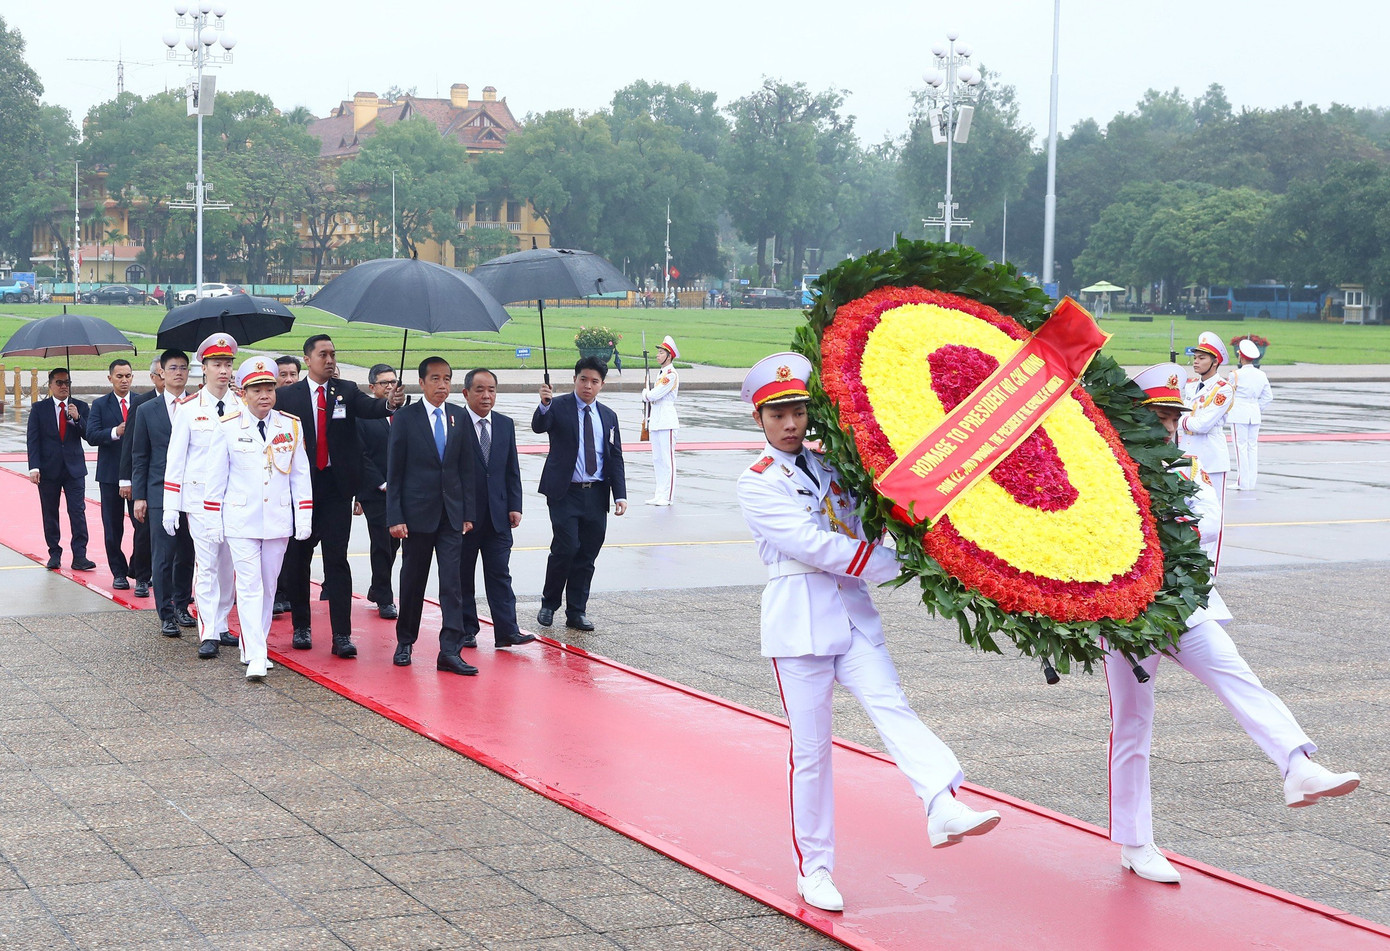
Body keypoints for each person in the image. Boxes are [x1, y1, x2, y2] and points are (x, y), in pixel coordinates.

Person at [735, 352, 998, 913]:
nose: (790, 423)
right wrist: (900, 565)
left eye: (798, 411)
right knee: (811, 753)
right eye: (778, 414)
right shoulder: (756, 482)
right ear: (759, 419)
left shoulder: (833, 465)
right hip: (800, 621)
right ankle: (815, 868)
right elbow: (813, 545)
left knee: (891, 704)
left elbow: (867, 522)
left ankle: (941, 802)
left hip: (852, 612)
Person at [1105, 364, 1359, 885]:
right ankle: (1134, 841)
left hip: (1183, 605)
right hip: (1126, 615)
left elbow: (1209, 523)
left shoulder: (1186, 469)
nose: (1168, 426)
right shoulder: (1105, 470)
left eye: (1172, 416)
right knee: (1132, 724)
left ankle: (1298, 766)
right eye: (1158, 416)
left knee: (1238, 676)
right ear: (1133, 417)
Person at [276, 334, 402, 658]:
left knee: (337, 559)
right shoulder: (287, 396)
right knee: (298, 559)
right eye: (323, 354)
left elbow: (371, 408)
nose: (330, 360)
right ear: (308, 360)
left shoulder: (345, 390)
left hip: (336, 488)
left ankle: (341, 635)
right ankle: (301, 626)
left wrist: (390, 403)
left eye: (333, 354)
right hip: (301, 488)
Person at [203, 358, 313, 681]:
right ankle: (257, 653)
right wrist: (213, 521)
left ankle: (253, 646)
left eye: (269, 389)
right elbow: (215, 478)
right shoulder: (227, 426)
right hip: (241, 519)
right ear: (243, 393)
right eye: (257, 390)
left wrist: (303, 516)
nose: (264, 396)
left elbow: (300, 475)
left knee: (268, 586)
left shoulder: (290, 425)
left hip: (277, 519)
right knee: (249, 586)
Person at [387, 357, 477, 674]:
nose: (442, 385)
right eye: (435, 379)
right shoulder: (405, 418)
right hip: (416, 516)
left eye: (447, 379)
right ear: (422, 382)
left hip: (451, 515)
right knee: (413, 581)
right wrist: (395, 516)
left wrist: (467, 512)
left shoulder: (458, 417)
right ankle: (405, 641)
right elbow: (395, 472)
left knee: (452, 583)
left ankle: (450, 650)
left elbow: (466, 468)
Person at [532, 356, 628, 632]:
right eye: (583, 379)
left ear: (602, 385)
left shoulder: (608, 416)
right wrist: (544, 404)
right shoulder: (558, 406)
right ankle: (549, 603)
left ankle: (576, 611)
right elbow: (539, 426)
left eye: (594, 381)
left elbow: (615, 456)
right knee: (566, 547)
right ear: (574, 379)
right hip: (565, 492)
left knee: (587, 553)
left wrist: (620, 494)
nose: (588, 385)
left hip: (596, 493)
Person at [163, 334, 242, 659]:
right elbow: (176, 459)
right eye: (217, 364)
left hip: (233, 500)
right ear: (204, 368)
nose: (223, 371)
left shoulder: (242, 405)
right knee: (206, 565)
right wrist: (171, 506)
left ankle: (221, 624)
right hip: (199, 502)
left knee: (227, 567)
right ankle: (208, 631)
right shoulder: (188, 408)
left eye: (227, 364)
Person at [461, 368, 533, 650]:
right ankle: (466, 630)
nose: (486, 396)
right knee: (462, 576)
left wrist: (515, 505)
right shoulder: (455, 423)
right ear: (466, 393)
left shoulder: (505, 424)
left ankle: (507, 631)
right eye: (479, 390)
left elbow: (511, 468)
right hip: (465, 518)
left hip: (499, 516)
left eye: (491, 390)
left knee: (500, 574)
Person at [130, 350, 198, 636]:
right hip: (159, 491)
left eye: (183, 367)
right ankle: (166, 613)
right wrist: (139, 496)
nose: (178, 373)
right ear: (161, 372)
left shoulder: (198, 405)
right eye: (172, 368)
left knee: (187, 553)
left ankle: (182, 605)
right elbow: (140, 455)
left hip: (191, 492)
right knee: (163, 555)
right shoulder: (147, 410)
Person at [26, 368, 94, 571]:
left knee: (77, 511)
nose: (64, 386)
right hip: (48, 469)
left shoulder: (79, 406)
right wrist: (34, 467)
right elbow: (33, 439)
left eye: (67, 382)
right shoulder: (39, 408)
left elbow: (90, 435)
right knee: (50, 512)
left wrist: (77, 418)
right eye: (59, 383)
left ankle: (80, 555)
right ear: (50, 385)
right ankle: (54, 553)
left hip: (74, 469)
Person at [1179, 331, 1233, 569]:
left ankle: (1210, 572)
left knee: (1212, 519)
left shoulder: (1223, 389)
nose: (1196, 361)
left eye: (1202, 358)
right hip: (1186, 457)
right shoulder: (1190, 385)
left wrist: (1179, 420)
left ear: (1215, 362)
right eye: (1195, 357)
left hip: (1211, 460)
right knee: (1185, 514)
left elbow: (1202, 425)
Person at [85, 359, 137, 588]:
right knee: (113, 527)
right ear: (110, 378)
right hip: (110, 475)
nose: (124, 380)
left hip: (137, 474)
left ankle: (139, 569)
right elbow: (91, 435)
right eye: (119, 376)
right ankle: (118, 572)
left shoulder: (142, 402)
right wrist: (115, 431)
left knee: (143, 527)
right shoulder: (100, 405)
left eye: (128, 376)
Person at [356, 363, 401, 620]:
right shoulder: (363, 416)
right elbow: (360, 454)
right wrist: (381, 483)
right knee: (382, 543)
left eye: (393, 382)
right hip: (376, 491)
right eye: (384, 383)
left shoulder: (405, 413)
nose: (390, 386)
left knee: (394, 543)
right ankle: (385, 597)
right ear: (372, 387)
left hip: (403, 491)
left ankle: (376, 587)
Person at [119, 358, 164, 599]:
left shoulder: (188, 402)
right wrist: (126, 480)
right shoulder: (142, 403)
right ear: (154, 377)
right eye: (162, 373)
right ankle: (142, 577)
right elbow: (132, 445)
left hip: (178, 480)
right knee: (144, 530)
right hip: (148, 478)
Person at [270, 355, 303, 615]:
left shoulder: (301, 408)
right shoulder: (265, 410)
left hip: (297, 485)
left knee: (295, 546)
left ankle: (291, 591)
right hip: (271, 489)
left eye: (293, 374)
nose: (289, 379)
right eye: (283, 375)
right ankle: (276, 593)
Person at [1228, 339, 1274, 491]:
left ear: (1240, 356)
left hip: (1239, 413)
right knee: (1252, 447)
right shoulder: (1261, 374)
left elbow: (1228, 395)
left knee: (1240, 447)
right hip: (1254, 413)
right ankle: (1251, 482)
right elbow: (1268, 397)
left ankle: (1242, 482)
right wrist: (1256, 408)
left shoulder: (1235, 375)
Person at [641, 335, 680, 506]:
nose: (658, 355)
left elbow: (654, 395)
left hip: (667, 420)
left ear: (669, 356)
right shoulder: (662, 373)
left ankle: (668, 496)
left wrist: (645, 394)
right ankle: (659, 493)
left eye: (661, 353)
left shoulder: (671, 374)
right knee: (657, 459)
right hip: (656, 419)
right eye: (658, 352)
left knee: (667, 460)